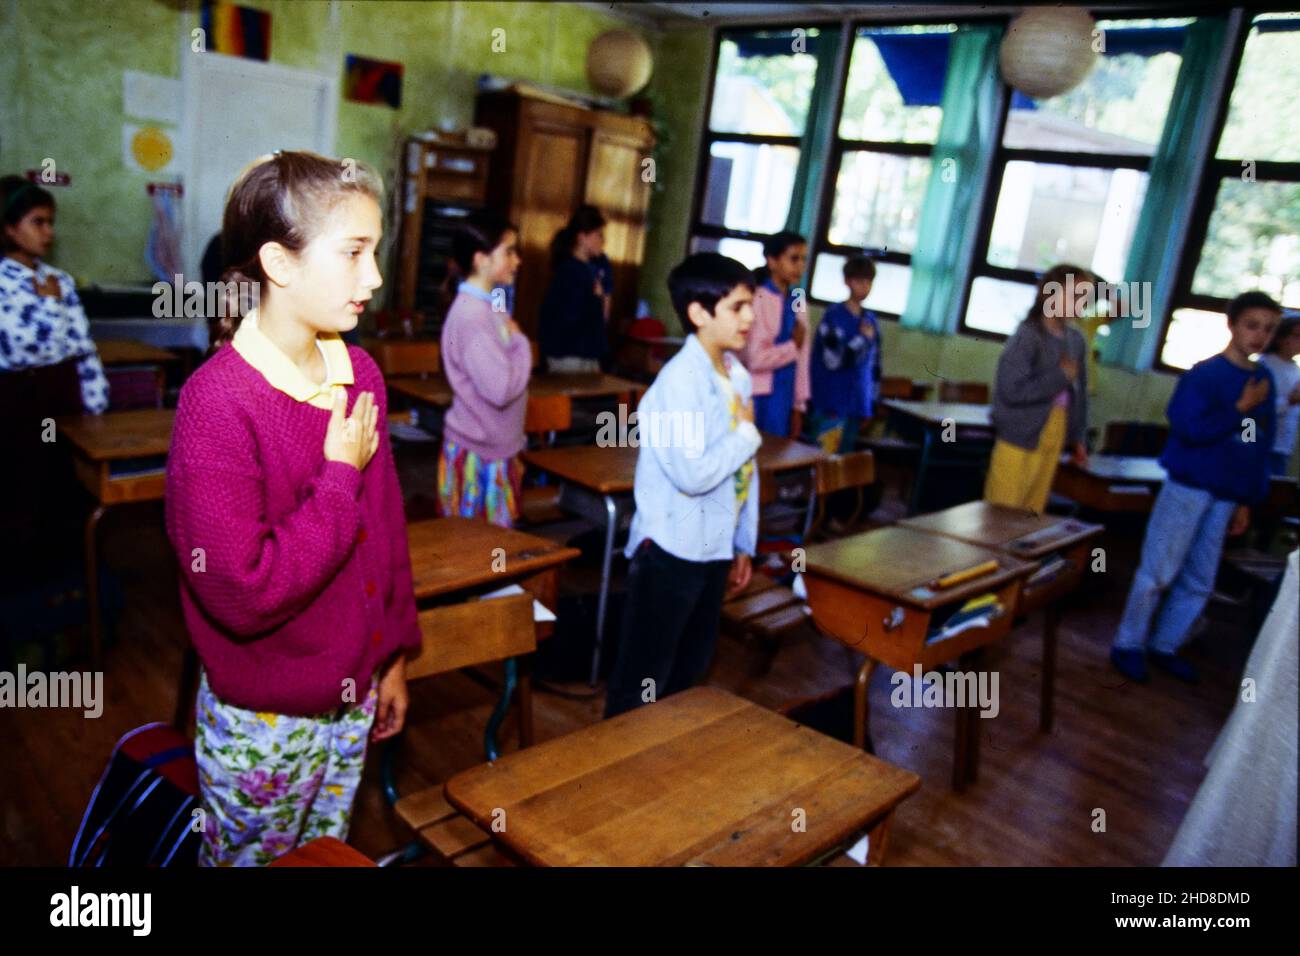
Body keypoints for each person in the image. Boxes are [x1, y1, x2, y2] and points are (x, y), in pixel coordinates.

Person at [164, 151, 420, 865]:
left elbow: (385, 532)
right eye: (354, 252)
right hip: (266, 719)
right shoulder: (216, 402)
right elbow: (242, 592)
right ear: (279, 263)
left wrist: (392, 656)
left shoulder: (358, 372)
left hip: (352, 694)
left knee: (322, 856)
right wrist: (338, 476)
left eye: (376, 251)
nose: (374, 277)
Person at [603, 253, 760, 718]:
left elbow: (745, 471)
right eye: (737, 307)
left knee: (688, 670)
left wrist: (743, 541)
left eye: (750, 305)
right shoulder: (678, 383)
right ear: (698, 313)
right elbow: (694, 475)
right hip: (671, 549)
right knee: (643, 678)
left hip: (713, 546)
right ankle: (619, 757)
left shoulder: (737, 376)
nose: (750, 317)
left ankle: (663, 755)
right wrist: (746, 434)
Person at [1109, 291, 1281, 685]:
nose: (1259, 336)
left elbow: (1256, 442)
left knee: (1201, 578)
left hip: (1226, 494)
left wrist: (1244, 499)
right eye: (1252, 326)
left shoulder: (1262, 380)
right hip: (1188, 487)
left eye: (1269, 329)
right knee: (1158, 571)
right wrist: (1239, 408)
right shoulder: (1205, 375)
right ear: (1232, 325)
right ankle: (1128, 644)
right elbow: (1190, 430)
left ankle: (1165, 645)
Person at [0, 175, 110, 578]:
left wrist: (94, 399)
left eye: (51, 222)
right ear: (10, 228)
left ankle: (69, 582)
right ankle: (22, 585)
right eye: (37, 222)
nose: (48, 232)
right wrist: (48, 307)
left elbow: (81, 344)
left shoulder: (59, 281)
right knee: (22, 487)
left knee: (64, 487)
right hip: (19, 400)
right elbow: (23, 347)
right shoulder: (4, 282)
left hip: (63, 396)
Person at [437, 212, 530, 528]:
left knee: (492, 545)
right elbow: (501, 389)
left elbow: (502, 327)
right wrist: (521, 344)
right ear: (481, 260)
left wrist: (511, 337)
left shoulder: (490, 302)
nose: (517, 261)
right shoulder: (471, 317)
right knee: (477, 544)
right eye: (509, 252)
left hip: (493, 448)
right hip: (479, 456)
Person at [985, 264, 1092, 513]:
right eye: (1076, 296)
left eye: (1086, 299)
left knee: (1032, 513)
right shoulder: (1028, 336)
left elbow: (1081, 394)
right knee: (1001, 513)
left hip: (1054, 433)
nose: (1082, 305)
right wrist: (1060, 376)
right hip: (1019, 436)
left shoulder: (1076, 340)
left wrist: (1079, 438)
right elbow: (1011, 390)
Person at [807, 254, 881, 454]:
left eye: (869, 281)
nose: (865, 286)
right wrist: (863, 339)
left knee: (843, 463)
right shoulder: (834, 316)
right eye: (859, 280)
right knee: (823, 458)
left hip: (856, 406)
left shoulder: (870, 320)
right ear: (847, 281)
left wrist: (869, 404)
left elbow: (874, 367)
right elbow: (834, 360)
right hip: (831, 403)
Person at [740, 231, 811, 437]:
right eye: (794, 259)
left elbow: (803, 357)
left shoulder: (798, 298)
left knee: (778, 449)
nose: (800, 266)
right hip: (756, 394)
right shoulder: (757, 297)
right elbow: (754, 359)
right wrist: (792, 347)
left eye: (803, 259)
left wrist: (799, 405)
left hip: (784, 396)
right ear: (772, 261)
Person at [539, 204, 613, 373]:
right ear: (582, 237)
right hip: (570, 355)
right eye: (598, 235)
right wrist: (596, 298)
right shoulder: (571, 271)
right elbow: (571, 317)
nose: (602, 241)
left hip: (584, 354)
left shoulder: (588, 269)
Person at [1258, 313, 1300, 476]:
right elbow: (1252, 411)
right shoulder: (1264, 366)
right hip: (1261, 443)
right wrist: (1289, 401)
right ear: (1280, 338)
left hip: (1283, 445)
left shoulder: (1296, 370)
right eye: (1297, 335)